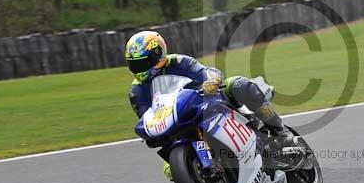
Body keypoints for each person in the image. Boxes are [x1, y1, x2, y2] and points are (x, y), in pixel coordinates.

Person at [125, 30, 295, 152]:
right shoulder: (137, 91)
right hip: (179, 123)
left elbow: (204, 71)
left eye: (142, 63)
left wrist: (211, 81)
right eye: (133, 64)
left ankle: (280, 130)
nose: (138, 69)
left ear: (157, 54)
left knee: (237, 84)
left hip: (207, 101)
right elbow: (148, 118)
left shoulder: (178, 62)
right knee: (169, 169)